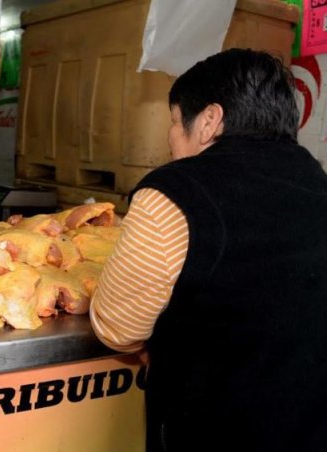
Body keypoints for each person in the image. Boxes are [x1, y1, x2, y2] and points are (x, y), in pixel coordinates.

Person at [89, 48, 327, 451]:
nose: (170, 137)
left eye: (175, 121)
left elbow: (118, 327)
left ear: (210, 120)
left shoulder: (175, 192)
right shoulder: (319, 185)